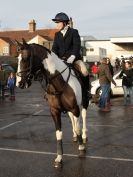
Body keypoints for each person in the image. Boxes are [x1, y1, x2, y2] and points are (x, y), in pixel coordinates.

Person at [52, 12, 91, 101]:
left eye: (58, 22)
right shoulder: (57, 35)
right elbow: (54, 48)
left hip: (74, 59)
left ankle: (86, 92)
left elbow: (76, 45)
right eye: (56, 23)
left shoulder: (74, 32)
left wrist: (73, 56)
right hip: (61, 60)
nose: (56, 25)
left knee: (85, 71)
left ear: (64, 23)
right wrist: (53, 57)